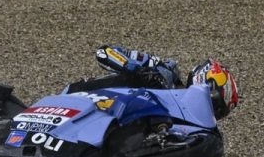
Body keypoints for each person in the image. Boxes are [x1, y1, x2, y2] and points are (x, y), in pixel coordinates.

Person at [65, 45, 241, 119]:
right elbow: (104, 52)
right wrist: (137, 70)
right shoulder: (162, 69)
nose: (209, 110)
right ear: (206, 80)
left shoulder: (182, 121)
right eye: (213, 104)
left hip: (99, 121)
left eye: (216, 113)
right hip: (77, 97)